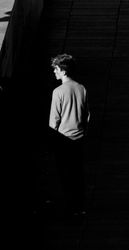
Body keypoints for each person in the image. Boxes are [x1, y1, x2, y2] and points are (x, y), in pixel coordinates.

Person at [49, 53, 90, 216]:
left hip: (63, 141)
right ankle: (79, 206)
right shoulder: (82, 88)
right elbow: (87, 116)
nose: (54, 72)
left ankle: (69, 206)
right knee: (77, 173)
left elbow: (54, 122)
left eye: (56, 69)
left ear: (63, 71)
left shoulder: (58, 92)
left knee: (64, 174)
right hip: (79, 139)